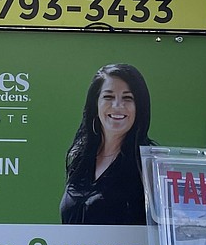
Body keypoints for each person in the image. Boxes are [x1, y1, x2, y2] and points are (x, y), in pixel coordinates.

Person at [59, 63, 155, 225]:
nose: (117, 106)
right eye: (108, 97)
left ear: (139, 107)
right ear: (95, 104)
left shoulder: (149, 164)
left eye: (127, 98)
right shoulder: (80, 158)